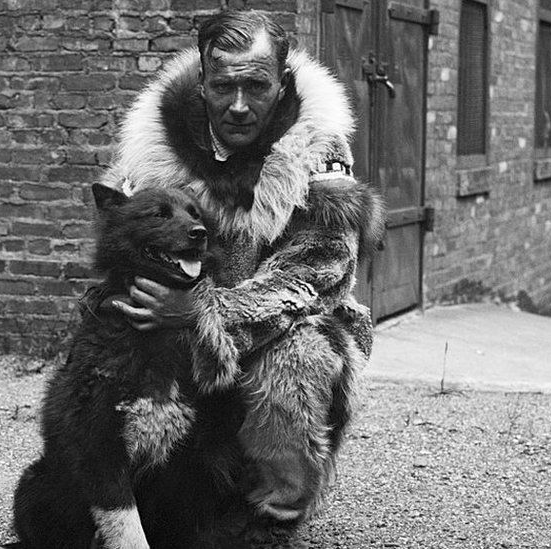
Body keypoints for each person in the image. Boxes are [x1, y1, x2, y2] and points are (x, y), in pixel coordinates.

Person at [101, 9, 382, 528]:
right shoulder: (156, 146)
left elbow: (317, 275)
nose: (237, 105)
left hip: (289, 323)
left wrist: (202, 312)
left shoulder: (317, 149)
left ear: (282, 83)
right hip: (179, 315)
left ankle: (276, 511)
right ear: (202, 80)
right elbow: (124, 241)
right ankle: (144, 494)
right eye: (223, 86)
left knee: (297, 362)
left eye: (256, 85)